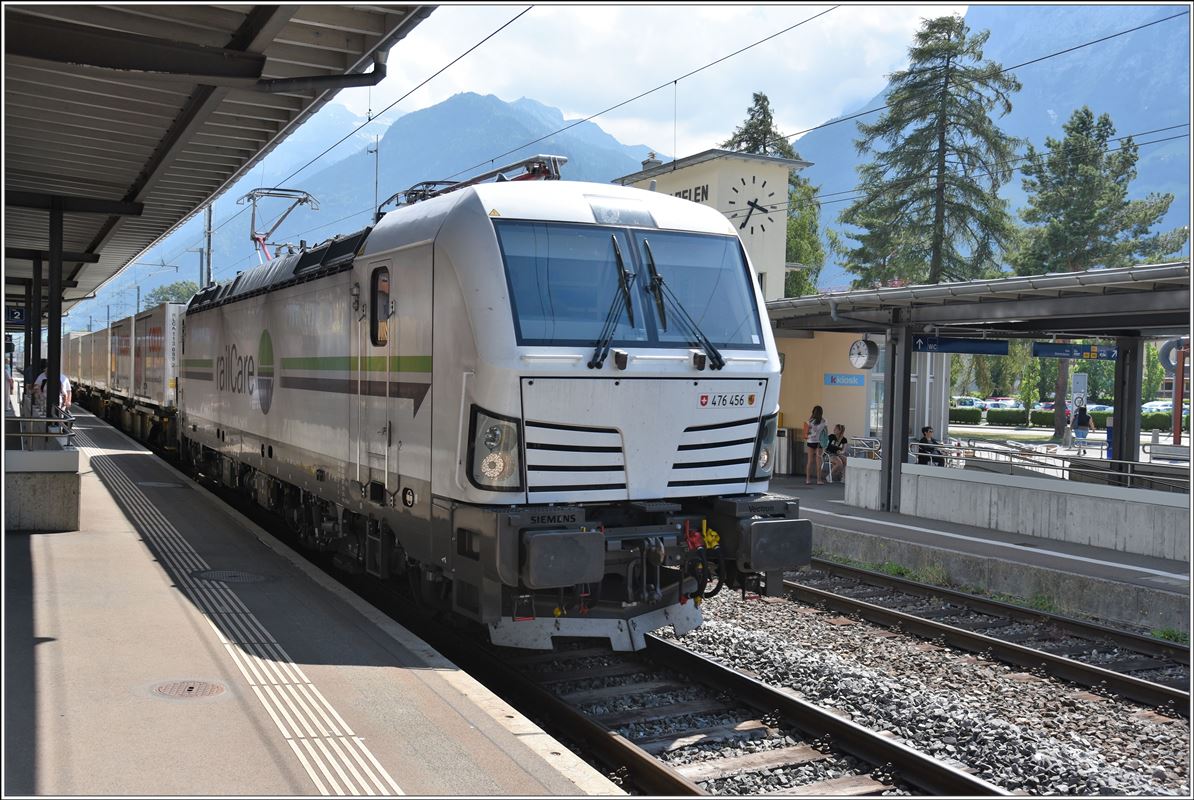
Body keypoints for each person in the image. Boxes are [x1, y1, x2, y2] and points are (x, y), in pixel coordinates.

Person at [804, 405, 828, 485]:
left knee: (810, 461)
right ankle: (819, 480)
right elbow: (826, 432)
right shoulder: (824, 421)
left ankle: (808, 479)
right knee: (819, 462)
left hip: (810, 442)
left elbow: (806, 433)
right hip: (819, 443)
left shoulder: (809, 421)